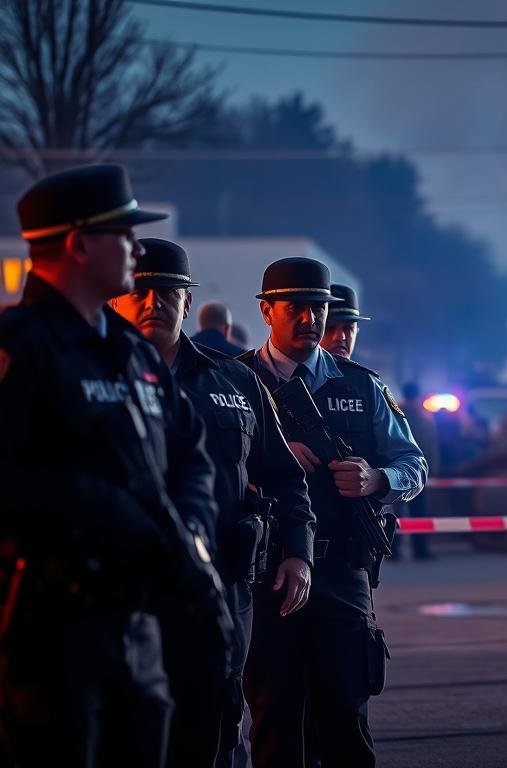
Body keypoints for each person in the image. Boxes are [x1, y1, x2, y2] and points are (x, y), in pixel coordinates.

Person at [0, 164, 224, 767]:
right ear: (77, 246)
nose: (134, 246)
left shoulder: (133, 356)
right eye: (121, 234)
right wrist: (101, 510)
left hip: (140, 623)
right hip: (52, 630)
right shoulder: (18, 347)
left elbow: (192, 458)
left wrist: (193, 535)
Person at [111, 238, 316, 768]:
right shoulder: (91, 377)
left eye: (168, 291)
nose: (155, 301)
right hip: (122, 589)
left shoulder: (235, 380)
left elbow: (285, 478)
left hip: (221, 586)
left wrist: (299, 551)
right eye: (141, 290)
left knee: (220, 721)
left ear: (187, 301)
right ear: (117, 299)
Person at [237, 257, 427, 767]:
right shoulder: (234, 382)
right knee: (275, 717)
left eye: (317, 307)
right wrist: (263, 467)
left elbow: (413, 462)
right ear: (266, 311)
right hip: (264, 570)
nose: (310, 319)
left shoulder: (362, 386)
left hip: (343, 571)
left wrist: (379, 479)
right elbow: (201, 469)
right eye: (295, 307)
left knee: (345, 712)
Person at [394, 382, 439, 560]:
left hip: (397, 470)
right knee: (418, 512)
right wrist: (433, 469)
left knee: (396, 512)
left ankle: (394, 550)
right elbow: (431, 445)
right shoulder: (424, 417)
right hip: (418, 471)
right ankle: (420, 550)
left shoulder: (395, 412)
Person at [320, 283, 370, 359]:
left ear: (356, 332)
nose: (340, 337)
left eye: (348, 328)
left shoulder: (361, 371)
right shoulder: (299, 370)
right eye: (330, 328)